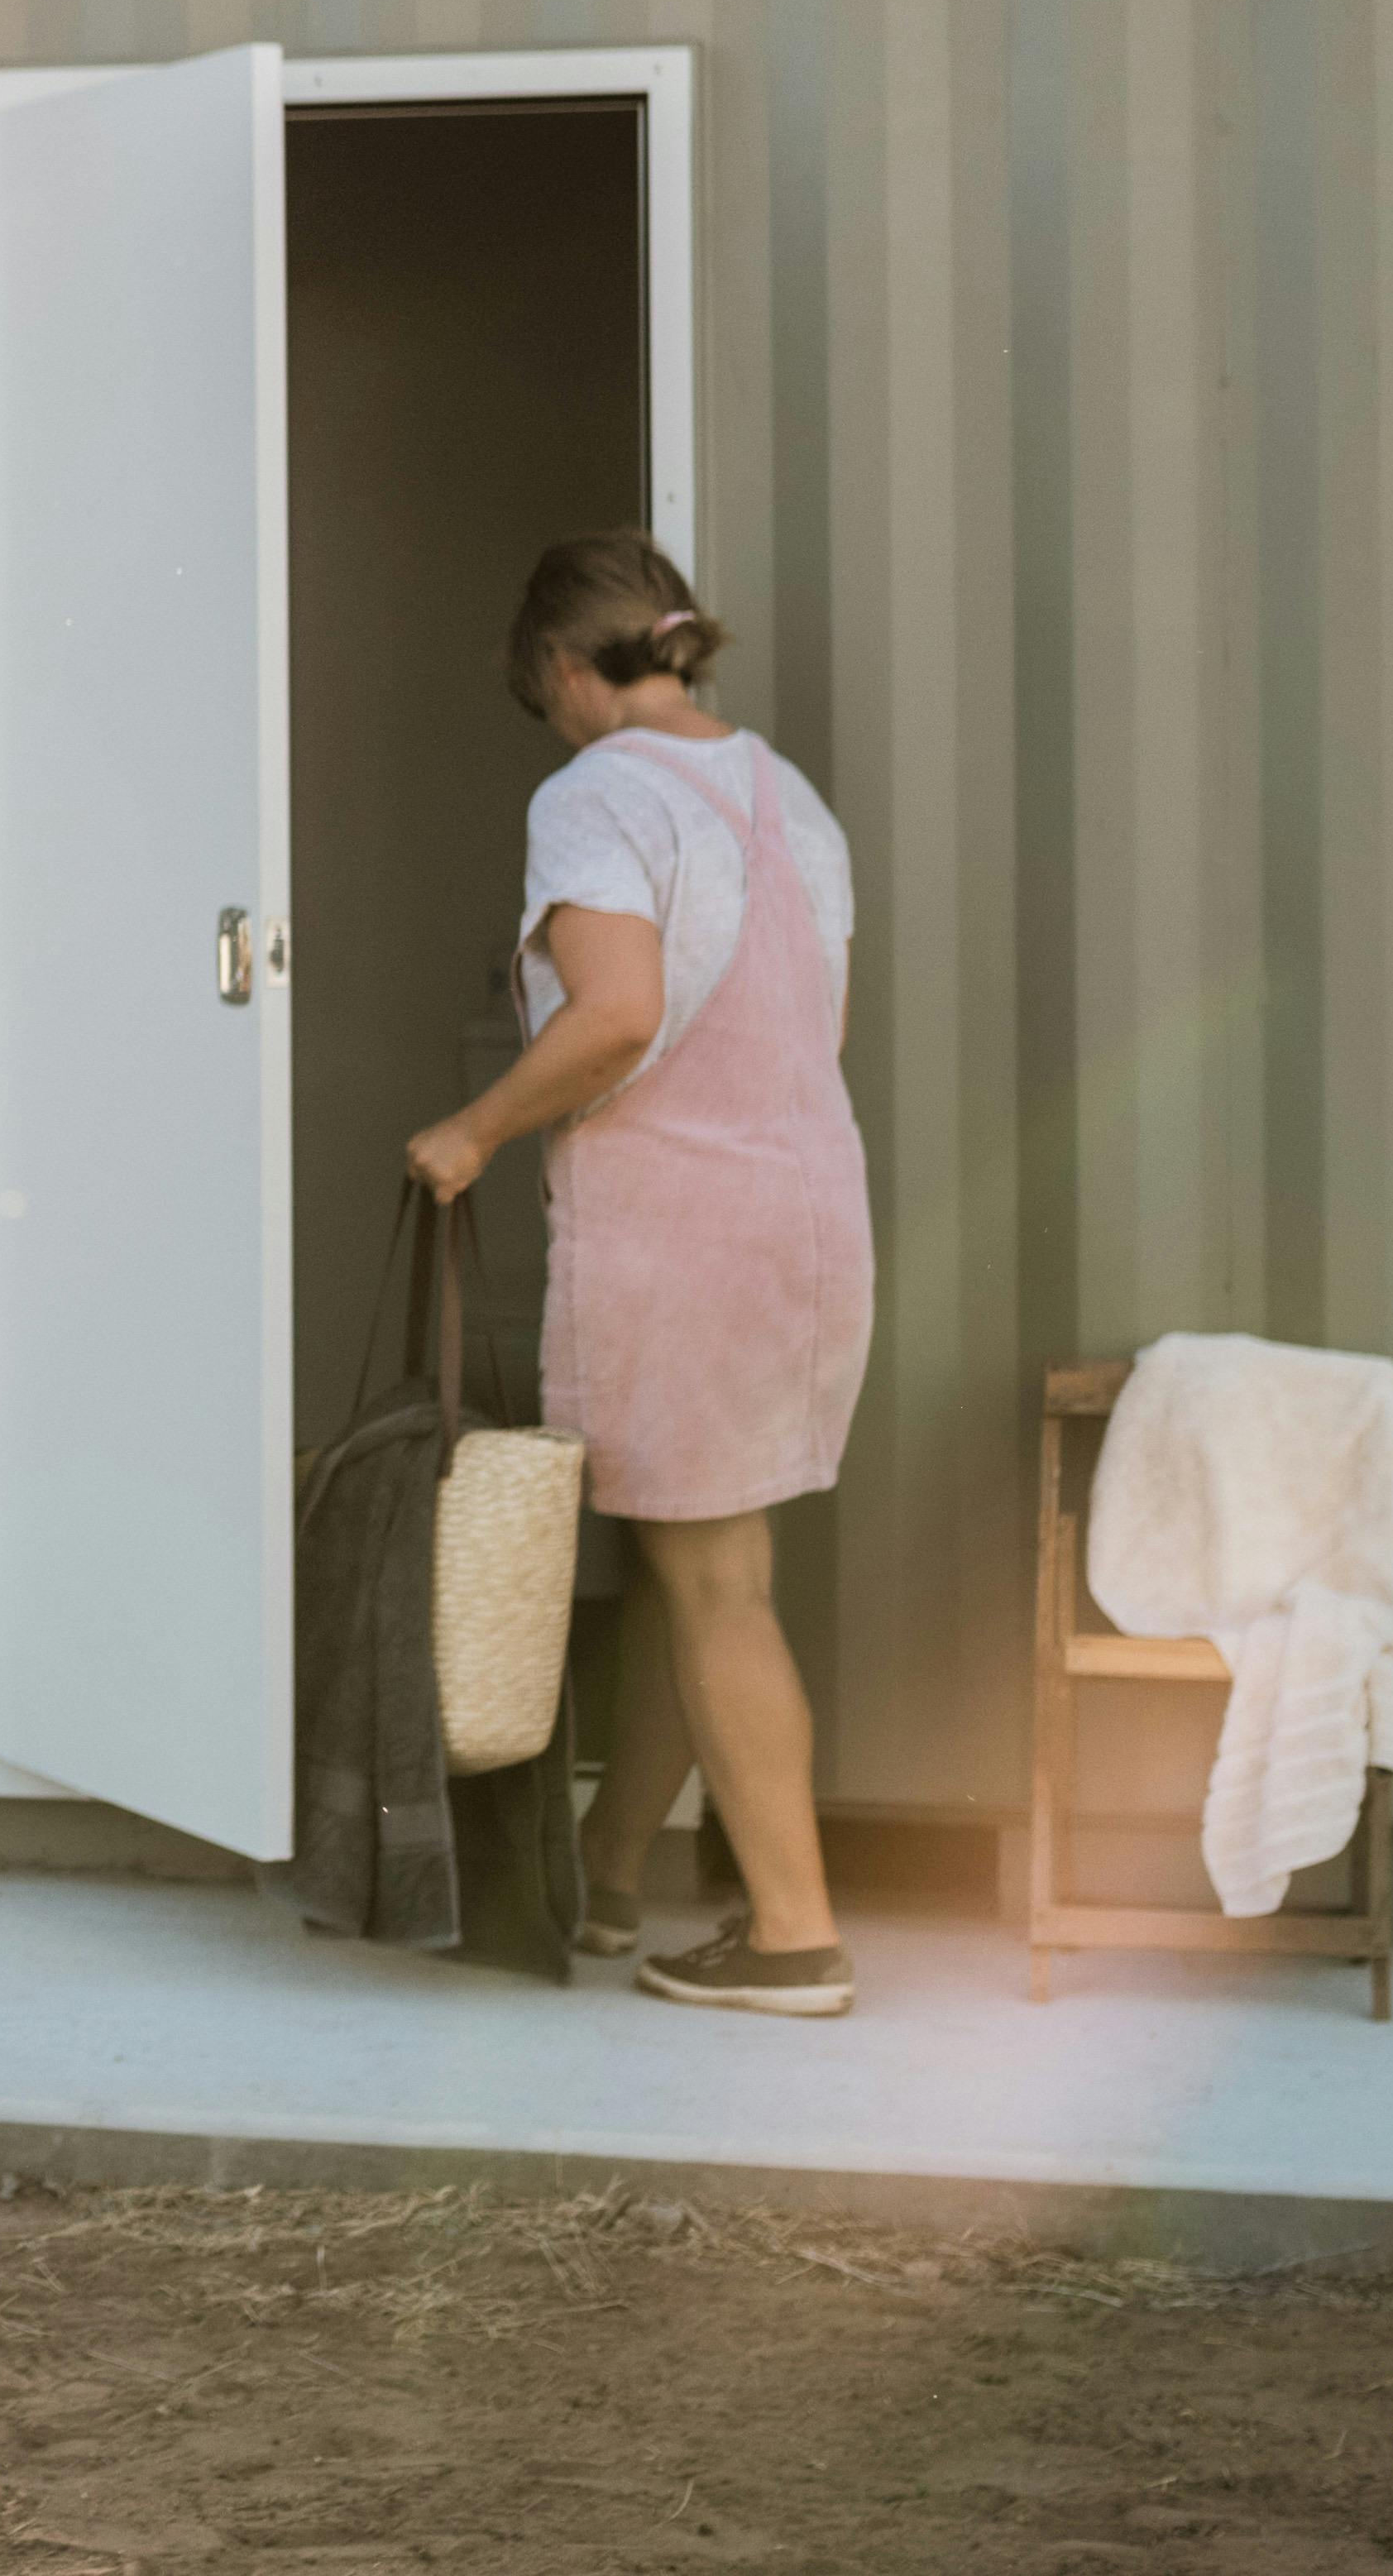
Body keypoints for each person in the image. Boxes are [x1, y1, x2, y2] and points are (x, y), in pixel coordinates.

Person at [401, 534, 874, 2018]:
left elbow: (615, 1018)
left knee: (714, 1584)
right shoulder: (786, 793)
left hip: (684, 1223)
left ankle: (796, 1937)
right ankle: (611, 1876)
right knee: (701, 1565)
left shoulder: (595, 793)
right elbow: (814, 1029)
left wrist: (472, 1130)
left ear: (559, 668)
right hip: (806, 1212)